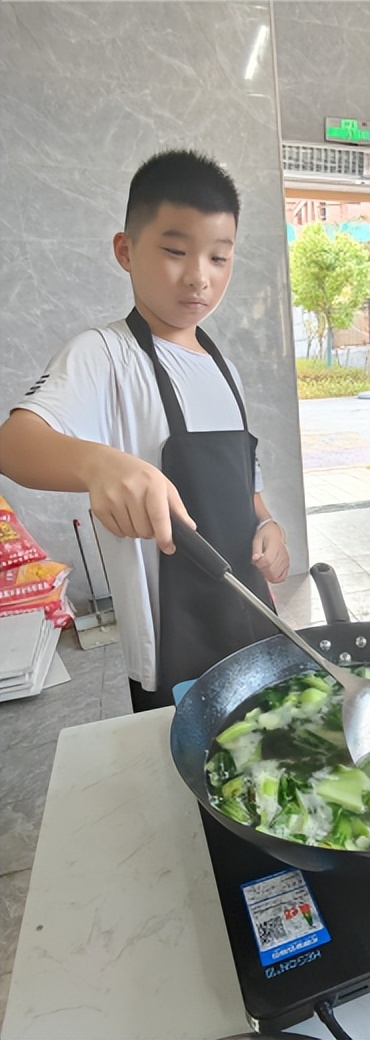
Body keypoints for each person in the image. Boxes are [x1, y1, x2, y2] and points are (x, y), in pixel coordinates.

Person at [0, 149, 290, 709]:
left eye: (219, 258)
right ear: (126, 251)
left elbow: (244, 483)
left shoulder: (222, 366)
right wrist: (99, 464)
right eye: (176, 251)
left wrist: (269, 523)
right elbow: (13, 444)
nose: (198, 277)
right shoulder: (104, 355)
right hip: (172, 644)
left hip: (252, 612)